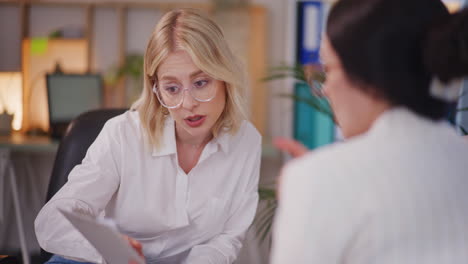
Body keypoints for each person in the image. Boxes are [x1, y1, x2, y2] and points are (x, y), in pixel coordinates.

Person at [35, 8, 261, 264]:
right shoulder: (122, 133)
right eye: (172, 88)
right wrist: (110, 249)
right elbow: (51, 222)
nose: (188, 103)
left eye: (201, 83)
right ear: (157, 90)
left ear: (224, 77)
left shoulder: (246, 141)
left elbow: (226, 238)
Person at [271, 0, 468, 263]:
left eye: (328, 69)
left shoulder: (315, 181)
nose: (325, 89)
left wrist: (309, 191)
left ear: (370, 74)